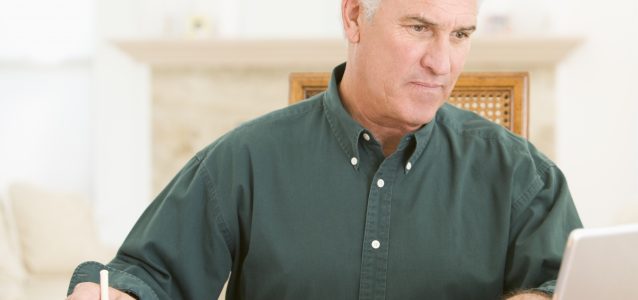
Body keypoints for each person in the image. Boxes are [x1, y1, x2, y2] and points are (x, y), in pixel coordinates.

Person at [66, 0, 582, 299]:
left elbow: (569, 284)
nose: (442, 62)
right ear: (355, 17)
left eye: (461, 34)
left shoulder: (521, 175)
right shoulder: (245, 160)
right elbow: (147, 278)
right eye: (419, 28)